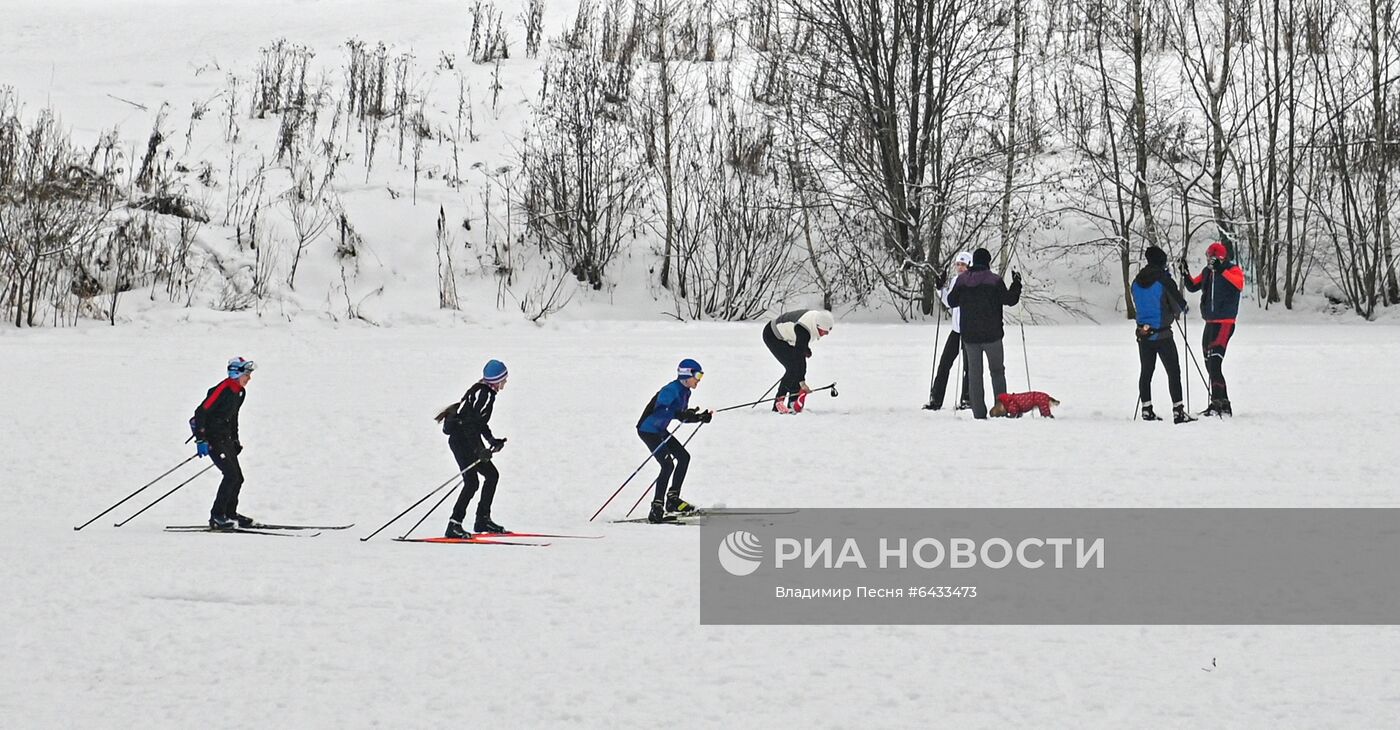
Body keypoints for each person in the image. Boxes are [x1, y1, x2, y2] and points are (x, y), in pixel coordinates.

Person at [435, 360, 510, 538]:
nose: (505, 383)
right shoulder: (483, 394)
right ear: (496, 380)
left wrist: (492, 440)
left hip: (468, 439)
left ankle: (482, 520)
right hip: (461, 441)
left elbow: (478, 423)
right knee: (471, 482)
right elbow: (469, 425)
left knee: (492, 475)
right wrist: (479, 449)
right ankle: (454, 525)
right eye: (504, 380)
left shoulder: (485, 392)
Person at [945, 248, 1021, 419]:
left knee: (974, 373)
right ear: (988, 261)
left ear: (973, 262)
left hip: (970, 337)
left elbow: (951, 301)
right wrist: (1016, 284)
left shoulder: (962, 280)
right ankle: (1001, 408)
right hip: (993, 335)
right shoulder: (994, 280)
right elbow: (1009, 300)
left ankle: (978, 413)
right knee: (997, 371)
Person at [636, 359, 713, 523]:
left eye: (701, 376)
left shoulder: (686, 392)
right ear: (686, 374)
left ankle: (672, 500)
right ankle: (657, 507)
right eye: (697, 375)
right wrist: (682, 414)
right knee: (667, 465)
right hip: (648, 430)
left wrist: (698, 417)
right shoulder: (671, 390)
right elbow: (663, 410)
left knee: (684, 457)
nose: (699, 379)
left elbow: (680, 415)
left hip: (660, 430)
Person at [191, 357, 256, 529]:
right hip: (212, 438)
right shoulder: (223, 389)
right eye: (246, 374)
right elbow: (200, 412)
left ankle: (230, 513)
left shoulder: (240, 392)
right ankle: (217, 516)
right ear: (236, 373)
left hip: (225, 438)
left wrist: (235, 439)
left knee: (238, 477)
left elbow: (233, 417)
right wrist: (200, 439)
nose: (249, 378)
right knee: (231, 476)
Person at [1131, 245, 1194, 424]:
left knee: (1146, 372)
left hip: (1143, 334)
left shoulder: (1136, 281)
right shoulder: (1163, 280)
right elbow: (1179, 305)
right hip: (1163, 334)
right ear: (1161, 261)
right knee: (1173, 371)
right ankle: (1178, 411)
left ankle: (1146, 409)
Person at [1182, 241, 1245, 416]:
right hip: (1209, 322)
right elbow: (1193, 286)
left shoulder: (1232, 270)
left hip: (1225, 322)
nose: (1209, 260)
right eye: (1208, 257)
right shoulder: (1207, 272)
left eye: (1211, 257)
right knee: (1209, 363)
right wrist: (1185, 272)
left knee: (1215, 363)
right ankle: (1222, 403)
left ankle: (1219, 404)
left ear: (1220, 257)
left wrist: (1222, 269)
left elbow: (1239, 284)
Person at [763, 309, 834, 414]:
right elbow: (798, 356)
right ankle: (779, 402)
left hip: (788, 339)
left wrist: (804, 348)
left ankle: (793, 401)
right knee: (792, 368)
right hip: (773, 335)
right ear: (817, 327)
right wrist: (802, 382)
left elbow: (801, 348)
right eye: (825, 332)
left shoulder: (814, 320)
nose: (826, 334)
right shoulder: (803, 329)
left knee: (795, 368)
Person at [930, 252, 973, 411]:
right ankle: (936, 399)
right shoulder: (955, 280)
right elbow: (949, 303)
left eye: (963, 265)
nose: (960, 267)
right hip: (956, 331)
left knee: (969, 368)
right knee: (944, 364)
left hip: (969, 331)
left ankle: (967, 399)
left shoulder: (971, 282)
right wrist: (940, 288)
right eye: (958, 264)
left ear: (969, 266)